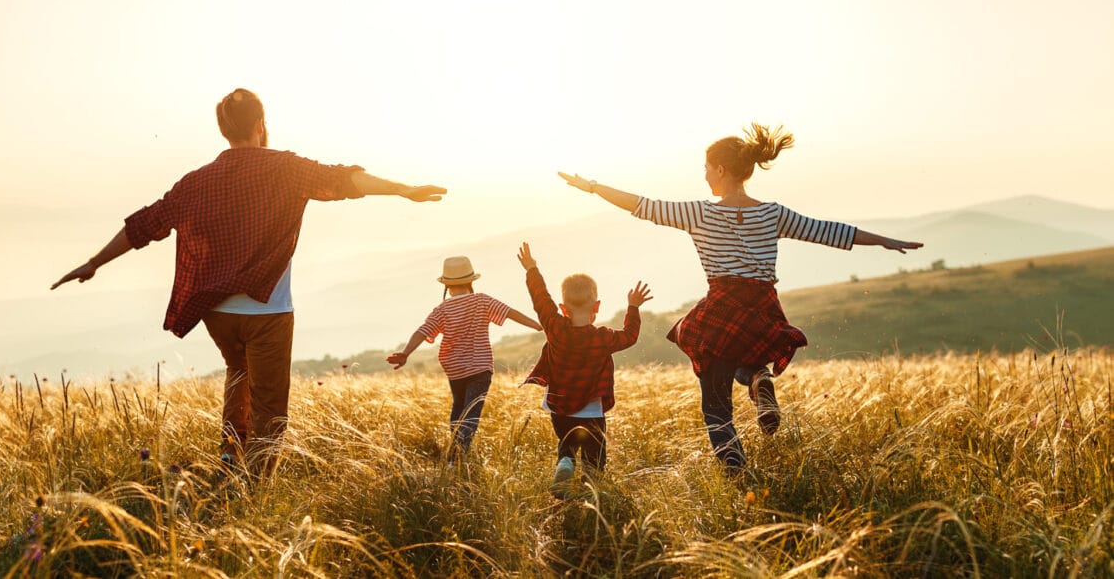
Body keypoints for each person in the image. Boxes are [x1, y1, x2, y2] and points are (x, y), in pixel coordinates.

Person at [51, 88, 446, 475]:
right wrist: (403, 190)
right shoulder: (285, 169)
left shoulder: (196, 182)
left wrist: (93, 262)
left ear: (224, 130)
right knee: (270, 405)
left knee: (238, 374)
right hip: (268, 312)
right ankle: (255, 486)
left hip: (217, 313)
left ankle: (229, 458)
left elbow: (145, 225)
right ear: (260, 124)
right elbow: (345, 180)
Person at [556, 123, 923, 474]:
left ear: (719, 168)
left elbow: (641, 205)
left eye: (705, 168)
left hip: (722, 307)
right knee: (740, 356)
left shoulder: (699, 212)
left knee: (715, 406)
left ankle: (739, 476)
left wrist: (592, 187)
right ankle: (757, 378)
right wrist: (885, 241)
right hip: (763, 308)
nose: (703, 175)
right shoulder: (772, 213)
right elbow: (828, 231)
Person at [515, 242, 652, 498]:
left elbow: (540, 299)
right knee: (594, 453)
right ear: (597, 306)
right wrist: (633, 307)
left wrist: (532, 269)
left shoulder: (554, 327)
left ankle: (565, 461)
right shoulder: (603, 337)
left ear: (563, 308)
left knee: (567, 441)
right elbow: (630, 336)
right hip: (591, 408)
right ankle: (591, 491)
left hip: (558, 405)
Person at [386, 256, 542, 462]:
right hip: (480, 367)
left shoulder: (442, 310)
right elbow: (510, 313)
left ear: (447, 286)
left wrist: (405, 353)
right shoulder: (482, 300)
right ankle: (458, 456)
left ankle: (454, 455)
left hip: (455, 369)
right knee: (472, 412)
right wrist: (538, 325)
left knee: (458, 409)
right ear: (471, 281)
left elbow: (422, 331)